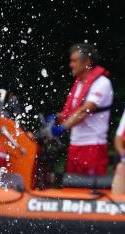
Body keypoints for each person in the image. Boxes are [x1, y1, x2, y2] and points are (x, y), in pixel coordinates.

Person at [47, 43, 114, 176]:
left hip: (93, 145)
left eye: (74, 61)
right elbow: (73, 112)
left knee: (89, 191)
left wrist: (63, 128)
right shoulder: (80, 83)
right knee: (72, 188)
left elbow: (85, 110)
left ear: (87, 62)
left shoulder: (102, 83)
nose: (71, 65)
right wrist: (57, 117)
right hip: (75, 144)